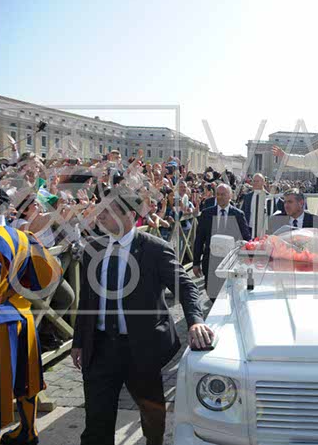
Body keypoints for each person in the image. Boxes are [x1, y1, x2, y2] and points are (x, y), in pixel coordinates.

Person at [72, 185, 214, 445]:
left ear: (128, 215)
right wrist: (79, 341)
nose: (99, 216)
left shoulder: (154, 249)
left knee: (152, 417)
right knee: (96, 422)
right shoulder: (93, 250)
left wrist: (195, 321)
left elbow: (186, 287)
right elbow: (87, 301)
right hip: (100, 348)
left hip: (141, 348)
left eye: (107, 211)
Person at [0, 182, 62, 445]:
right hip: (24, 317)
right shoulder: (23, 236)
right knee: (26, 379)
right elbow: (47, 278)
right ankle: (28, 431)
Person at [192, 184, 251, 302]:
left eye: (223, 194)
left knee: (230, 295)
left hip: (231, 262)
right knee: (212, 293)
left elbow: (246, 238)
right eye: (218, 194)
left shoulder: (238, 214)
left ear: (230, 196)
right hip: (211, 261)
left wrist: (247, 260)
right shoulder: (206, 214)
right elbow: (199, 240)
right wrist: (196, 262)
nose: (220, 197)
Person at [241, 173, 269, 238]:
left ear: (263, 182)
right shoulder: (247, 197)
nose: (255, 183)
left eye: (257, 181)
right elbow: (243, 212)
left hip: (264, 231)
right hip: (249, 229)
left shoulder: (269, 197)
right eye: (254, 181)